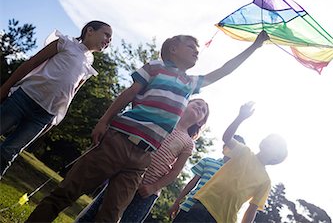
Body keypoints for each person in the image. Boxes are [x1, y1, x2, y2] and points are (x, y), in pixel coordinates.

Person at [27, 31, 269, 222]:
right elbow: (128, 93)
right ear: (173, 49)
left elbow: (224, 70)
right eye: (191, 48)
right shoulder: (155, 67)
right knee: (68, 191)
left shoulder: (191, 83)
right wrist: (104, 121)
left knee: (111, 216)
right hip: (118, 141)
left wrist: (254, 46)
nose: (197, 53)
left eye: (198, 51)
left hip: (142, 159)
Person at [0, 20, 112, 177]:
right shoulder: (65, 42)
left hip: (43, 116)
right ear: (90, 30)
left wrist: (53, 121)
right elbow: (32, 62)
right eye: (106, 35)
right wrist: (5, 88)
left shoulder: (89, 64)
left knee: (8, 153)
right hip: (24, 98)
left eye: (110, 39)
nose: (108, 41)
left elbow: (70, 96)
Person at [76, 98, 210, 223]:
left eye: (203, 110)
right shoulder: (163, 122)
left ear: (200, 122)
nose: (199, 107)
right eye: (197, 103)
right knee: (96, 211)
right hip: (126, 176)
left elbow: (175, 172)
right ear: (186, 104)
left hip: (146, 191)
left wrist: (154, 187)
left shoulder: (188, 143)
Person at [180, 102, 288, 223]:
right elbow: (226, 138)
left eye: (274, 143)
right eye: (269, 137)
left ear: (275, 158)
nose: (268, 140)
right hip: (202, 204)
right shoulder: (244, 151)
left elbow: (251, 210)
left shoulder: (265, 181)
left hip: (223, 219)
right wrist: (240, 117)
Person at [169, 135, 245, 222]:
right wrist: (177, 201)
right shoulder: (208, 161)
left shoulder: (236, 175)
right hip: (189, 207)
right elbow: (192, 183)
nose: (233, 149)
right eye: (231, 145)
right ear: (224, 146)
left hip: (210, 217)